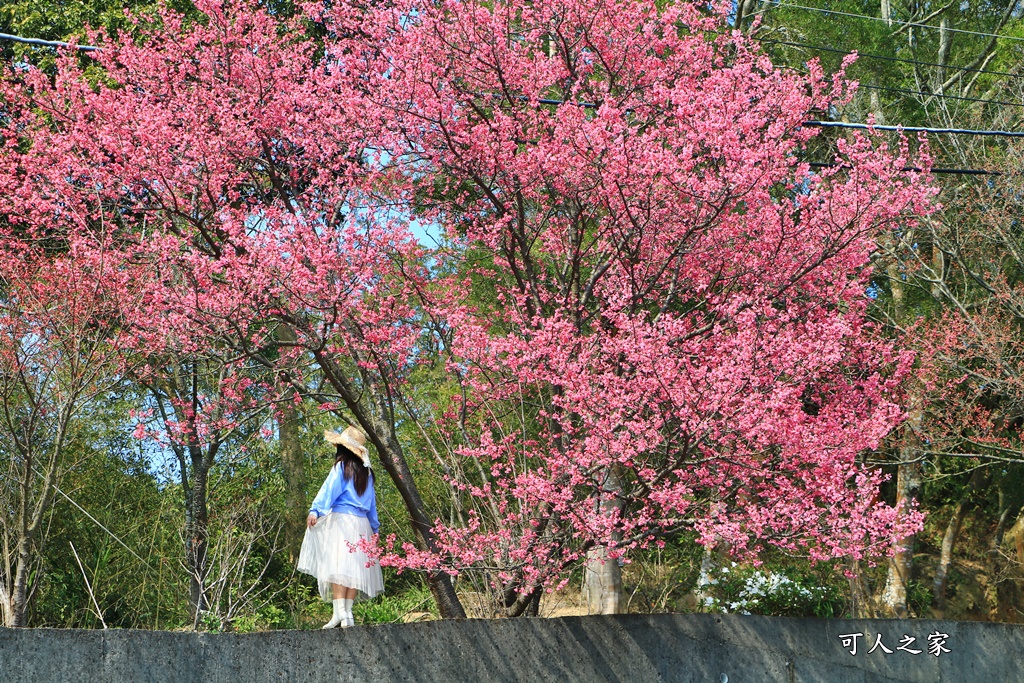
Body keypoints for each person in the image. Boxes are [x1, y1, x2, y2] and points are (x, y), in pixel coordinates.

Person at [297, 425, 384, 628]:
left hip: (342, 521)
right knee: (355, 569)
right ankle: (347, 613)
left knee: (337, 567)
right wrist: (375, 529)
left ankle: (339, 613)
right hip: (362, 524)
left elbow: (328, 491)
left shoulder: (342, 467)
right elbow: (371, 504)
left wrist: (315, 511)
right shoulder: (367, 473)